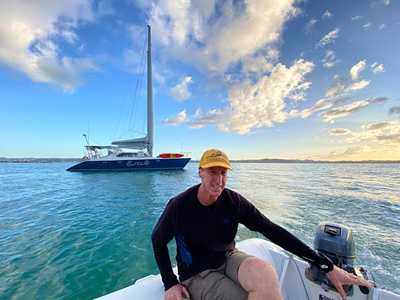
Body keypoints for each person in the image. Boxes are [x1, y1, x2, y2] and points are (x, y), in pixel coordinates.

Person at [152, 149, 372, 300]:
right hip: (196, 273)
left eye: (223, 172)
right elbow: (158, 240)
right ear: (200, 171)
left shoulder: (233, 201)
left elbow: (271, 230)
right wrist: (170, 283)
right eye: (212, 171)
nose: (218, 180)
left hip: (227, 258)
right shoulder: (179, 206)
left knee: (266, 273)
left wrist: (326, 264)